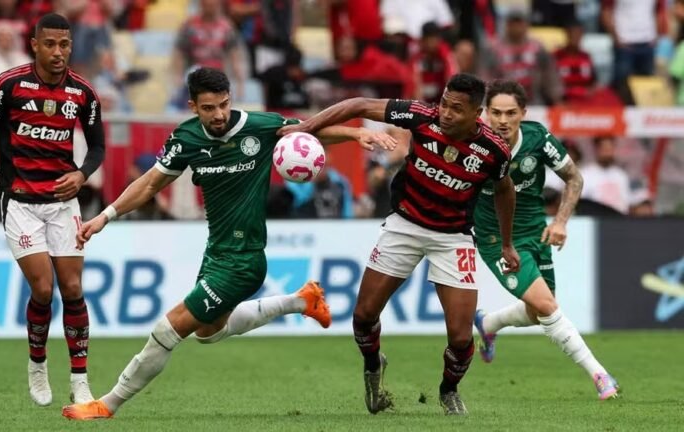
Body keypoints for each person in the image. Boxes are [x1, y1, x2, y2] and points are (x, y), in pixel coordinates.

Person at [61, 67, 398, 420]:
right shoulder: (187, 138)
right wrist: (105, 217)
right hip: (217, 252)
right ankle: (301, 300)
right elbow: (149, 184)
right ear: (193, 106)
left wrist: (353, 134)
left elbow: (309, 129)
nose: (219, 114)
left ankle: (107, 404)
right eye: (209, 108)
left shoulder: (259, 126)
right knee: (207, 333)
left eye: (223, 104)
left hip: (244, 261)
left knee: (168, 328)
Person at [281, 73, 520, 415]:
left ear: (476, 112)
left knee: (461, 338)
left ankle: (448, 390)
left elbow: (504, 189)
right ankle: (373, 365)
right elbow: (359, 105)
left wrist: (507, 243)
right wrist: (305, 126)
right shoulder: (421, 116)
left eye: (456, 109)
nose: (446, 113)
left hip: (453, 238)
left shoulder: (494, 150)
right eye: (444, 104)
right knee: (363, 316)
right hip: (404, 225)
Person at [0, 13, 105, 407]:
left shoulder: (83, 93)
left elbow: (97, 147)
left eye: (64, 45)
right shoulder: (8, 85)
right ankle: (37, 366)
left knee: (73, 289)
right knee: (43, 289)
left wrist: (81, 174)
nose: (58, 52)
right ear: (35, 45)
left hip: (63, 203)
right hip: (21, 202)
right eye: (50, 45)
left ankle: (80, 380)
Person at [474, 79, 620, 400]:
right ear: (485, 113)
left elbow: (574, 177)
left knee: (536, 311)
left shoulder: (538, 138)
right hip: (494, 237)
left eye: (510, 113)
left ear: (522, 113)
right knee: (547, 305)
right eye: (495, 112)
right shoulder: (473, 142)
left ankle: (488, 322)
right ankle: (599, 374)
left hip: (534, 230)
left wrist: (561, 221)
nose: (502, 120)